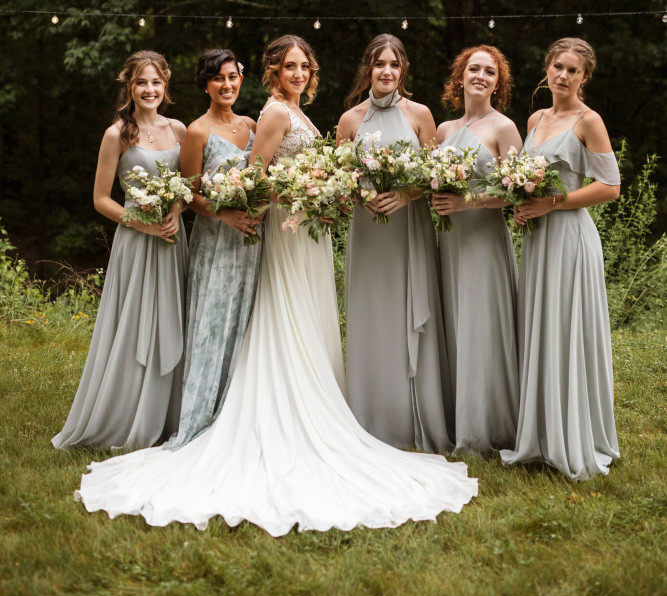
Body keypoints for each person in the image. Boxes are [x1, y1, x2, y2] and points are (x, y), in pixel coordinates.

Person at [75, 35, 477, 535]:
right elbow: (254, 175)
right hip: (288, 231)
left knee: (308, 319)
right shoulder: (273, 114)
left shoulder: (295, 112)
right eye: (290, 66)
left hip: (307, 230)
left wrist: (324, 193)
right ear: (272, 72)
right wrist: (289, 200)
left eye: (304, 66)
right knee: (286, 320)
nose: (299, 73)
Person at [52, 51, 187, 451]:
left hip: (174, 239)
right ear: (129, 86)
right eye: (142, 82)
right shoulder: (117, 135)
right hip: (137, 239)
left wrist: (176, 210)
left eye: (156, 82)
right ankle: (126, 413)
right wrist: (144, 223)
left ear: (166, 86)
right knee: (133, 323)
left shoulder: (178, 128)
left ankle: (169, 415)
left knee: (171, 319)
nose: (150, 90)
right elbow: (101, 199)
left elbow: (188, 183)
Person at [501, 38, 621, 479]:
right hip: (536, 239)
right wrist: (518, 201)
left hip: (570, 238)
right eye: (558, 66)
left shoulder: (589, 121)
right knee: (541, 325)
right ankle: (541, 431)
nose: (563, 75)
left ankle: (574, 434)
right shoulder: (535, 119)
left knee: (568, 327)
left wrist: (551, 204)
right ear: (546, 69)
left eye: (573, 70)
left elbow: (610, 186)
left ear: (583, 77)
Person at [337, 34, 452, 453]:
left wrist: (405, 195)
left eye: (395, 64)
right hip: (369, 232)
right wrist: (364, 197)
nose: (387, 71)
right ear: (368, 68)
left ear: (403, 70)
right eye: (380, 63)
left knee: (407, 313)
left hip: (409, 227)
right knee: (373, 313)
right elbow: (341, 180)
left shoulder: (420, 114)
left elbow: (435, 174)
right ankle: (371, 419)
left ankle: (414, 418)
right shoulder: (350, 120)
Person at [165, 49, 261, 449]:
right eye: (219, 78)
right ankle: (202, 416)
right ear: (205, 84)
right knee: (213, 322)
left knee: (249, 323)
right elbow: (188, 195)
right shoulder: (197, 131)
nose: (228, 85)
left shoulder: (253, 124)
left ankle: (242, 414)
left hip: (254, 242)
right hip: (217, 241)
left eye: (234, 77)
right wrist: (226, 216)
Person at [433, 45, 522, 454]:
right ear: (460, 76)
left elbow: (518, 193)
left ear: (497, 82)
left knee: (482, 325)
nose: (481, 76)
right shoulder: (444, 130)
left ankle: (489, 426)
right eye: (474, 69)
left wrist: (467, 202)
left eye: (490, 71)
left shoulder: (504, 128)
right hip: (450, 241)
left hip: (485, 239)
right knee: (455, 324)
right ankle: (457, 419)